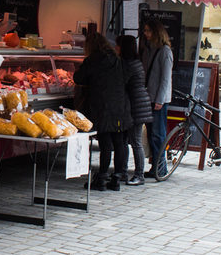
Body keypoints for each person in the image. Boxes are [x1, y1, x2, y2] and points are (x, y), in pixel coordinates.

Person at [73, 32, 132, 191]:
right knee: (119, 142)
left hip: (102, 106)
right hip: (120, 106)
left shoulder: (93, 60)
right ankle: (117, 178)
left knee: (105, 143)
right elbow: (127, 78)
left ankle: (102, 178)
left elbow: (78, 78)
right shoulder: (117, 60)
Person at [117, 35, 153, 186]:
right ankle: (123, 172)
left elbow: (121, 82)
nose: (116, 48)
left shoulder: (128, 65)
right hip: (137, 104)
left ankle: (139, 175)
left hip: (135, 106)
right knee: (125, 140)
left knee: (135, 141)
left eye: (118, 45)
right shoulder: (136, 62)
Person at [140, 19, 173, 179]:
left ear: (156, 32)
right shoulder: (149, 49)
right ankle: (156, 167)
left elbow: (165, 78)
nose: (145, 33)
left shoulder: (165, 51)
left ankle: (161, 168)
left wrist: (160, 100)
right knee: (151, 133)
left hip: (158, 99)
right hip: (149, 97)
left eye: (148, 30)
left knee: (158, 134)